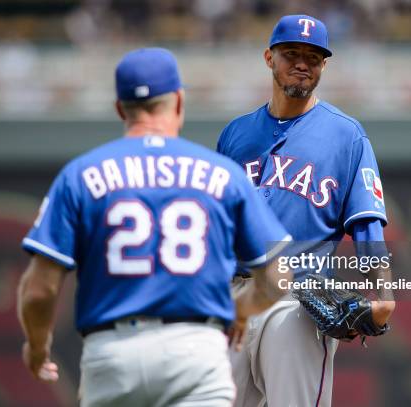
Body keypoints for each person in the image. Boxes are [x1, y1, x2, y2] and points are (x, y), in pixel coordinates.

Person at [17, 47, 292, 407]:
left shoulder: (81, 174)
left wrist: (37, 346)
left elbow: (39, 291)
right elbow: (277, 278)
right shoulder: (223, 175)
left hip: (112, 354)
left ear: (120, 108)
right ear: (178, 101)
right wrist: (239, 308)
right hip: (196, 350)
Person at [217, 15, 395, 407]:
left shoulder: (346, 134)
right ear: (269, 58)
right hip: (233, 297)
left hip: (297, 297)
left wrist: (383, 295)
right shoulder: (235, 134)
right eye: (292, 54)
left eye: (313, 58)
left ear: (324, 66)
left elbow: (366, 222)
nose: (302, 64)